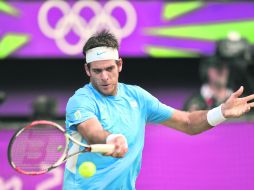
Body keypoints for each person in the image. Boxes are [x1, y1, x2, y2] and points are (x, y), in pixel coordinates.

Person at [63, 30, 254, 190]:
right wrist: (110, 139)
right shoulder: (80, 101)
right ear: (87, 70)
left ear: (119, 65)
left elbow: (187, 122)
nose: (104, 76)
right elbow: (92, 131)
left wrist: (221, 111)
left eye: (109, 68)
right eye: (97, 71)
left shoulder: (137, 97)